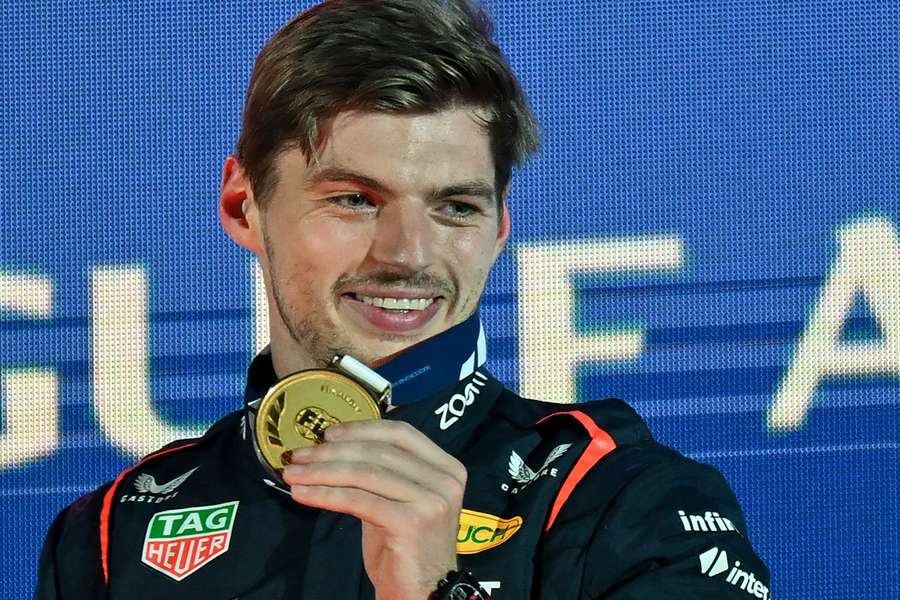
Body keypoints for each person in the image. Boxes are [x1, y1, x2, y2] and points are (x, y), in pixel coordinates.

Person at [36, 1, 771, 598]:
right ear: (242, 205)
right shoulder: (114, 533)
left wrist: (433, 591)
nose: (406, 255)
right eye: (356, 199)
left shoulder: (623, 502)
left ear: (499, 228)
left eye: (454, 207)